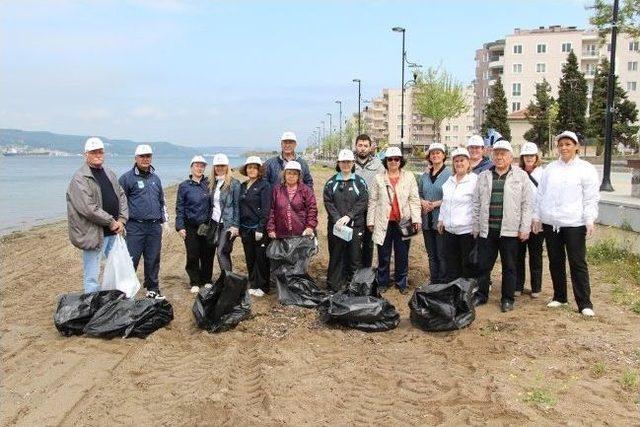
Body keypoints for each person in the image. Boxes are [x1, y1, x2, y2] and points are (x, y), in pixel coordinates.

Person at [532, 130, 600, 317]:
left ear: (576, 146)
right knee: (555, 260)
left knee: (577, 262)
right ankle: (560, 296)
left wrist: (589, 218)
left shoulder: (585, 169)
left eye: (568, 144)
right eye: (561, 144)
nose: (564, 148)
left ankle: (584, 303)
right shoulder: (550, 169)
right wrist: (537, 216)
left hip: (574, 222)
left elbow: (591, 197)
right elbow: (540, 195)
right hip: (551, 222)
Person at [472, 140, 533, 312]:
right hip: (487, 229)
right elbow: (476, 202)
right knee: (483, 266)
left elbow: (527, 204)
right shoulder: (484, 175)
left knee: (510, 267)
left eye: (503, 154)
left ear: (510, 157)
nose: (499, 157)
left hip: (510, 231)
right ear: (492, 156)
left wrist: (524, 227)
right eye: (496, 153)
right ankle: (481, 295)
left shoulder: (520, 176)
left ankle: (507, 299)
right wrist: (476, 225)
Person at [66, 137, 128, 293]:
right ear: (85, 154)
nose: (98, 155)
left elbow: (121, 196)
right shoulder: (79, 178)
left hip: (114, 232)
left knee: (118, 268)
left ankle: (118, 300)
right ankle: (92, 306)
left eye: (100, 152)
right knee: (92, 275)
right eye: (93, 152)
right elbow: (87, 208)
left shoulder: (109, 173)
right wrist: (111, 221)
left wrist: (122, 219)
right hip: (94, 234)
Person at [367, 146, 421, 295]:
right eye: (390, 159)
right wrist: (370, 221)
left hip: (403, 221)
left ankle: (401, 282)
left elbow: (414, 199)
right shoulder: (379, 178)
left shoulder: (409, 177)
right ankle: (383, 281)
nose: (393, 162)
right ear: (386, 161)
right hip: (383, 221)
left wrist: (416, 219)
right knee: (383, 254)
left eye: (396, 159)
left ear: (400, 161)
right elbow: (373, 200)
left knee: (402, 254)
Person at [118, 145, 167, 299]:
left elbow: (161, 200)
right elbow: (120, 202)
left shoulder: (155, 178)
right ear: (136, 158)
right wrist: (121, 222)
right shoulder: (127, 178)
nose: (145, 159)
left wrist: (164, 220)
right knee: (131, 259)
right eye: (142, 156)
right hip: (135, 226)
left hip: (154, 226)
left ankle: (152, 288)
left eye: (148, 156)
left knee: (153, 258)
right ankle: (126, 291)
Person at [323, 149, 369, 292]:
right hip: (336, 227)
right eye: (343, 162)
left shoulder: (360, 182)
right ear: (338, 163)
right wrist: (337, 218)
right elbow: (328, 202)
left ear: (353, 163)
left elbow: (363, 201)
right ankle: (335, 285)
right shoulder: (331, 183)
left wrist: (349, 216)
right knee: (336, 256)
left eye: (348, 162)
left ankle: (354, 287)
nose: (346, 165)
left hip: (355, 227)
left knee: (355, 257)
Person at [436, 147, 477, 283]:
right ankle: (453, 292)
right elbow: (445, 202)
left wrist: (477, 226)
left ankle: (466, 294)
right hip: (450, 231)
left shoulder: (474, 180)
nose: (459, 164)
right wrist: (441, 220)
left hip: (467, 231)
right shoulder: (449, 181)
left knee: (467, 264)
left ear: (468, 162)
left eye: (462, 160)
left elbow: (479, 205)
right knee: (451, 264)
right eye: (456, 161)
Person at [175, 156, 213, 293]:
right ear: (191, 167)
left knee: (208, 253)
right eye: (197, 165)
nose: (199, 168)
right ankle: (195, 281)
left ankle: (207, 279)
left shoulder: (209, 183)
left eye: (202, 166)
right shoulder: (184, 186)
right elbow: (180, 207)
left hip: (207, 225)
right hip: (190, 225)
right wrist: (180, 226)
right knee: (192, 254)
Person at [418, 142, 452, 284]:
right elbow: (417, 194)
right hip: (427, 220)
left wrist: (436, 203)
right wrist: (422, 202)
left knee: (442, 253)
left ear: (444, 155)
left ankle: (443, 282)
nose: (435, 155)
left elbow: (453, 196)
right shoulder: (425, 175)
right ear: (429, 157)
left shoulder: (449, 174)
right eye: (432, 153)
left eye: (438, 153)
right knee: (431, 253)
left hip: (441, 220)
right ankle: (434, 279)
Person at [515, 142, 545, 298]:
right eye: (526, 156)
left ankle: (536, 287)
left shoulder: (543, 174)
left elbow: (544, 198)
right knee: (518, 255)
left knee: (535, 255)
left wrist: (537, 217)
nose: (529, 158)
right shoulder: (517, 173)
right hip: (520, 221)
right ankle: (518, 285)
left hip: (536, 222)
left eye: (531, 156)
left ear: (536, 157)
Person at [239, 156, 272, 297]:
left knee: (261, 258)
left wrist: (260, 228)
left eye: (254, 167)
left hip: (258, 228)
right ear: (246, 169)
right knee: (250, 257)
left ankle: (263, 286)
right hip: (245, 228)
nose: (252, 170)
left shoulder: (264, 186)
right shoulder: (242, 186)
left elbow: (266, 209)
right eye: (249, 167)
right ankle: (253, 283)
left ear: (259, 170)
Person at [354, 133, 384, 268]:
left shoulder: (378, 165)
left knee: (368, 243)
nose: (362, 148)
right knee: (353, 242)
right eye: (360, 145)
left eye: (365, 146)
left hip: (370, 211)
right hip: (353, 211)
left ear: (370, 147)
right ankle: (353, 272)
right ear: (356, 146)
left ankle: (365, 274)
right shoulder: (349, 163)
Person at [267, 161, 318, 239]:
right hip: (281, 233)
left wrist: (310, 226)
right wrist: (271, 228)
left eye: (295, 173)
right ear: (284, 175)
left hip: (302, 232)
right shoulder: (277, 190)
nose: (291, 176)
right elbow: (271, 210)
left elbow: (312, 209)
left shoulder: (306, 190)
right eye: (289, 173)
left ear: (299, 176)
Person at [209, 153, 241, 276]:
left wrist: (236, 226)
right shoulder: (213, 183)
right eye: (217, 166)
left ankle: (229, 282)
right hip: (215, 223)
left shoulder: (234, 183)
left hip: (228, 224)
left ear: (227, 167)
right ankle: (226, 279)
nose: (219, 168)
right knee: (218, 251)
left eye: (222, 165)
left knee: (222, 251)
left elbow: (237, 206)